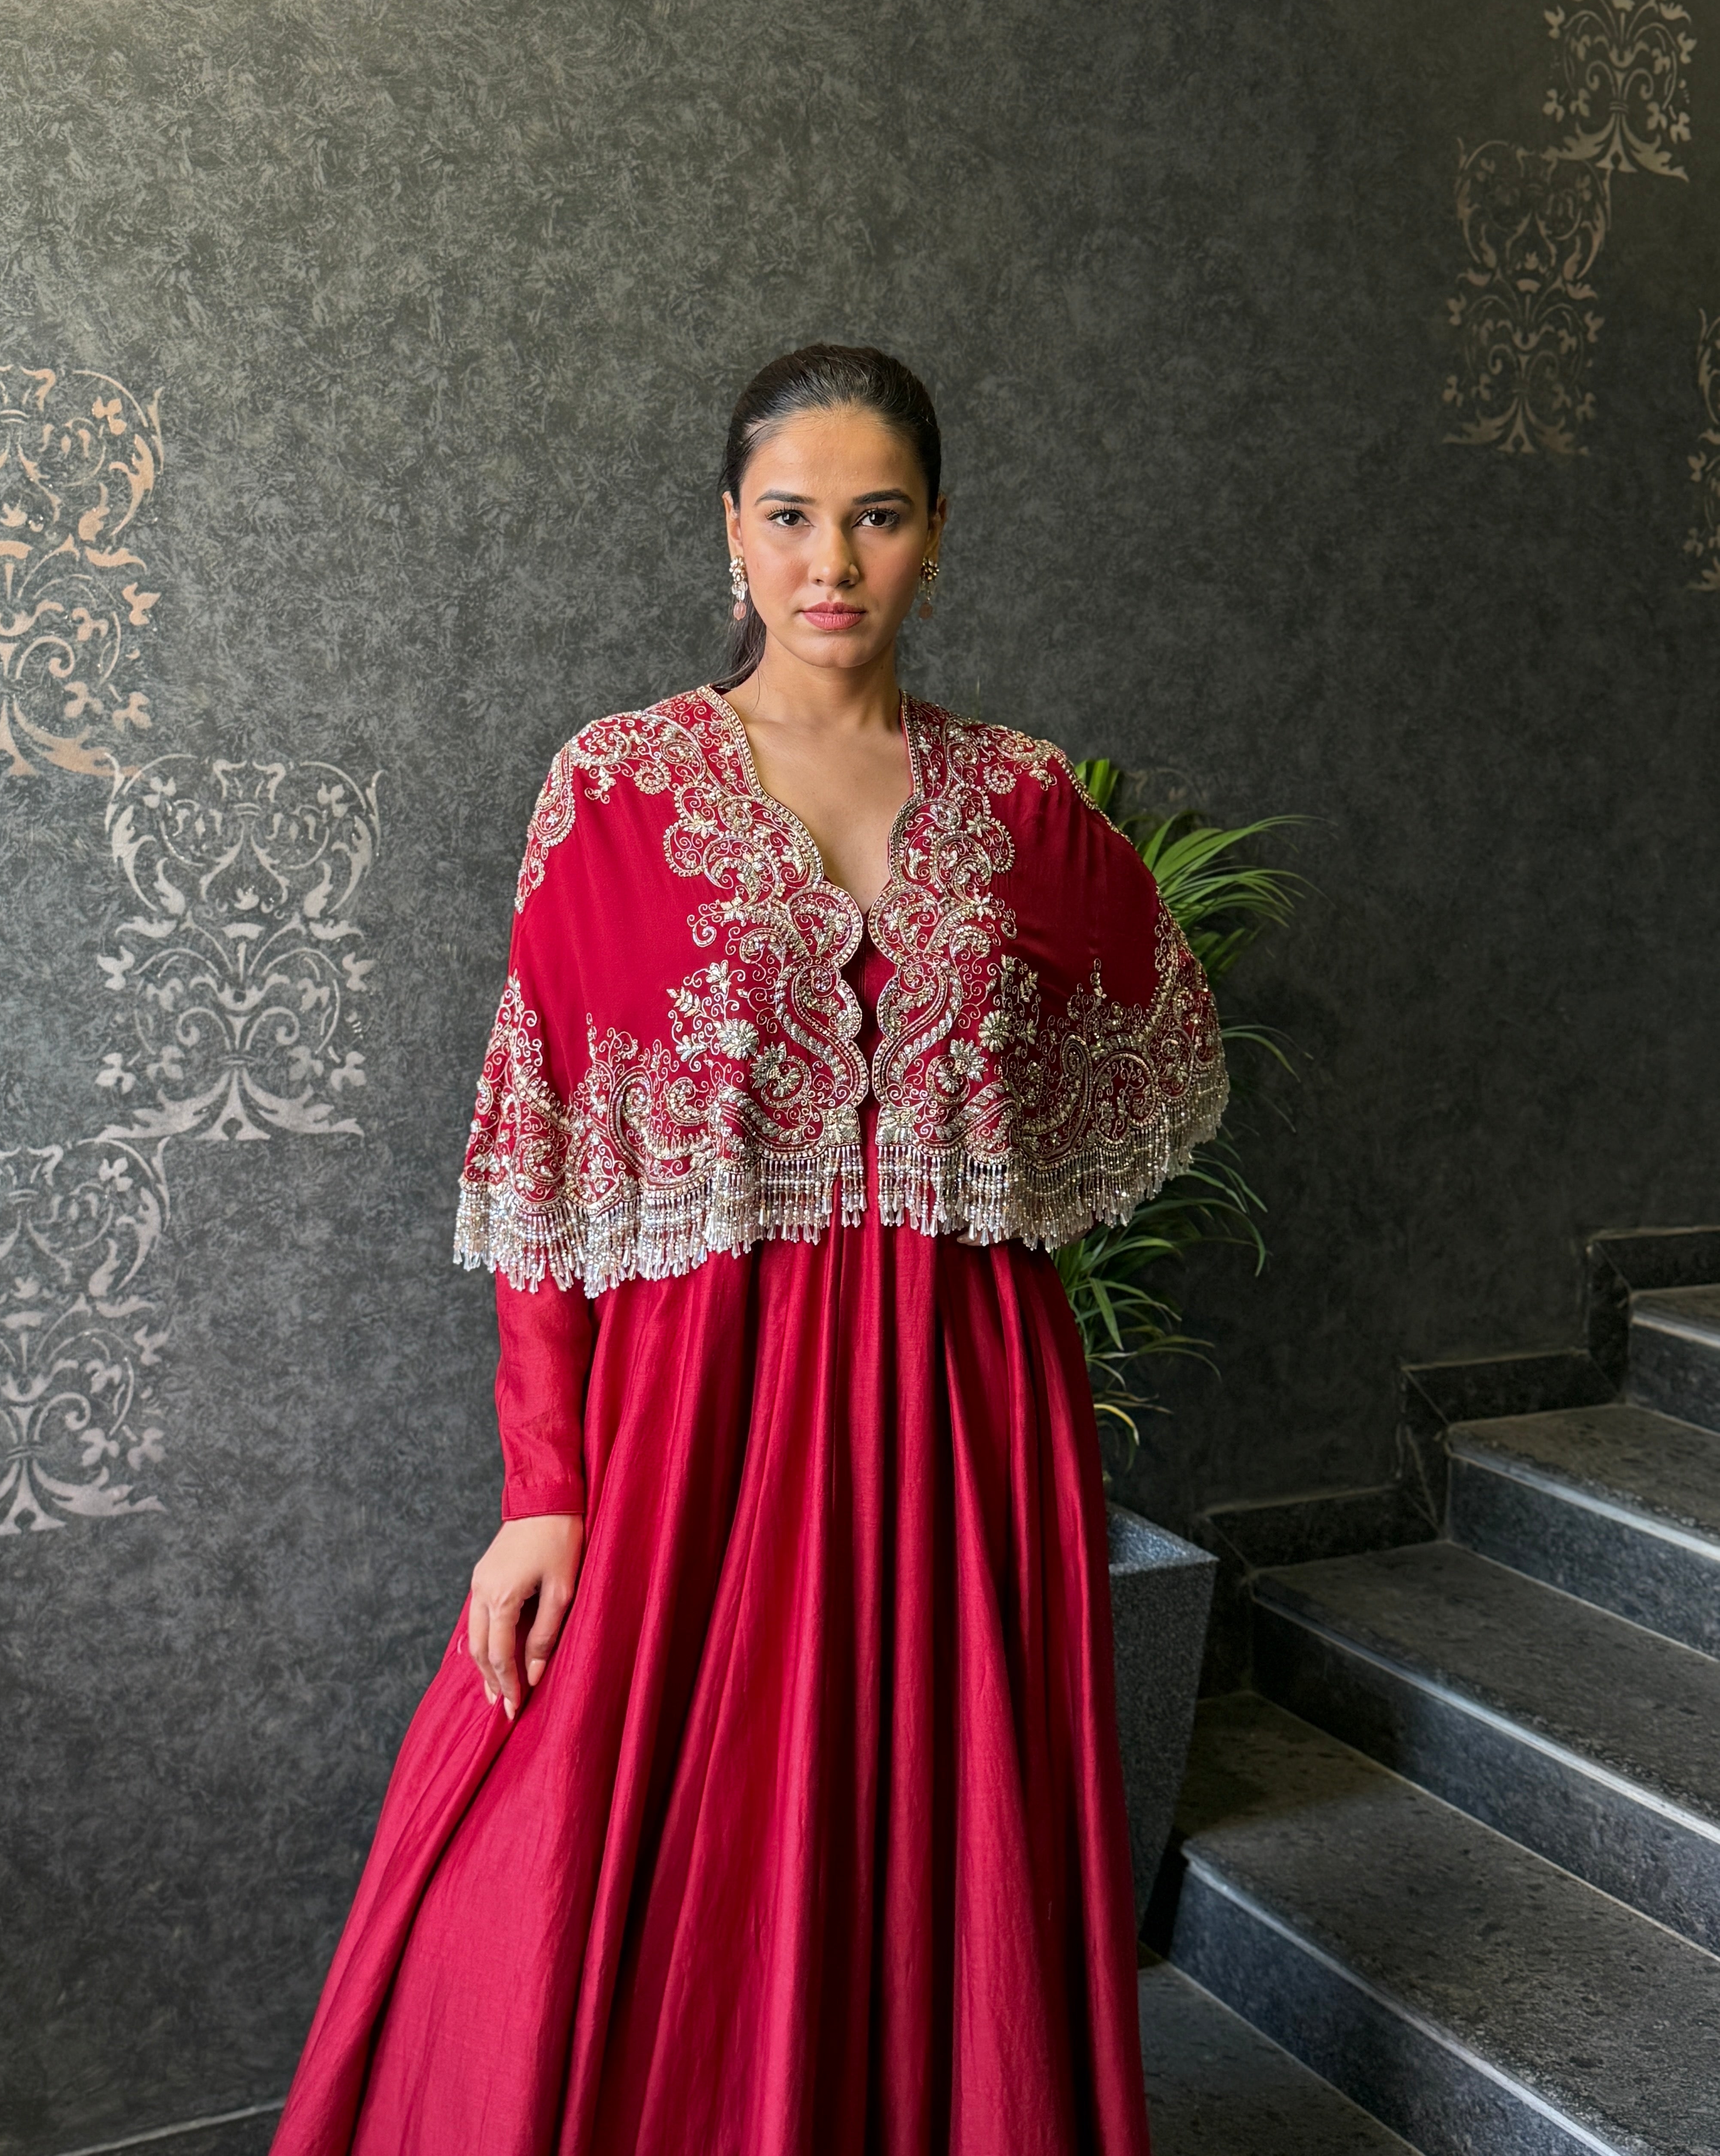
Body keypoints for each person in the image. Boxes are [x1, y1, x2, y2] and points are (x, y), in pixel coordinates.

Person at [271, 344, 1227, 2156]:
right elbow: (544, 1166)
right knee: (584, 1849)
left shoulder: (1020, 803)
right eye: (792, 517)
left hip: (965, 1414)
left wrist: (980, 1183)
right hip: (698, 1411)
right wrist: (543, 1489)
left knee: (947, 1856)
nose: (832, 565)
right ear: (731, 533)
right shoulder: (616, 788)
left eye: (877, 519)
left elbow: (1144, 1033)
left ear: (937, 540)